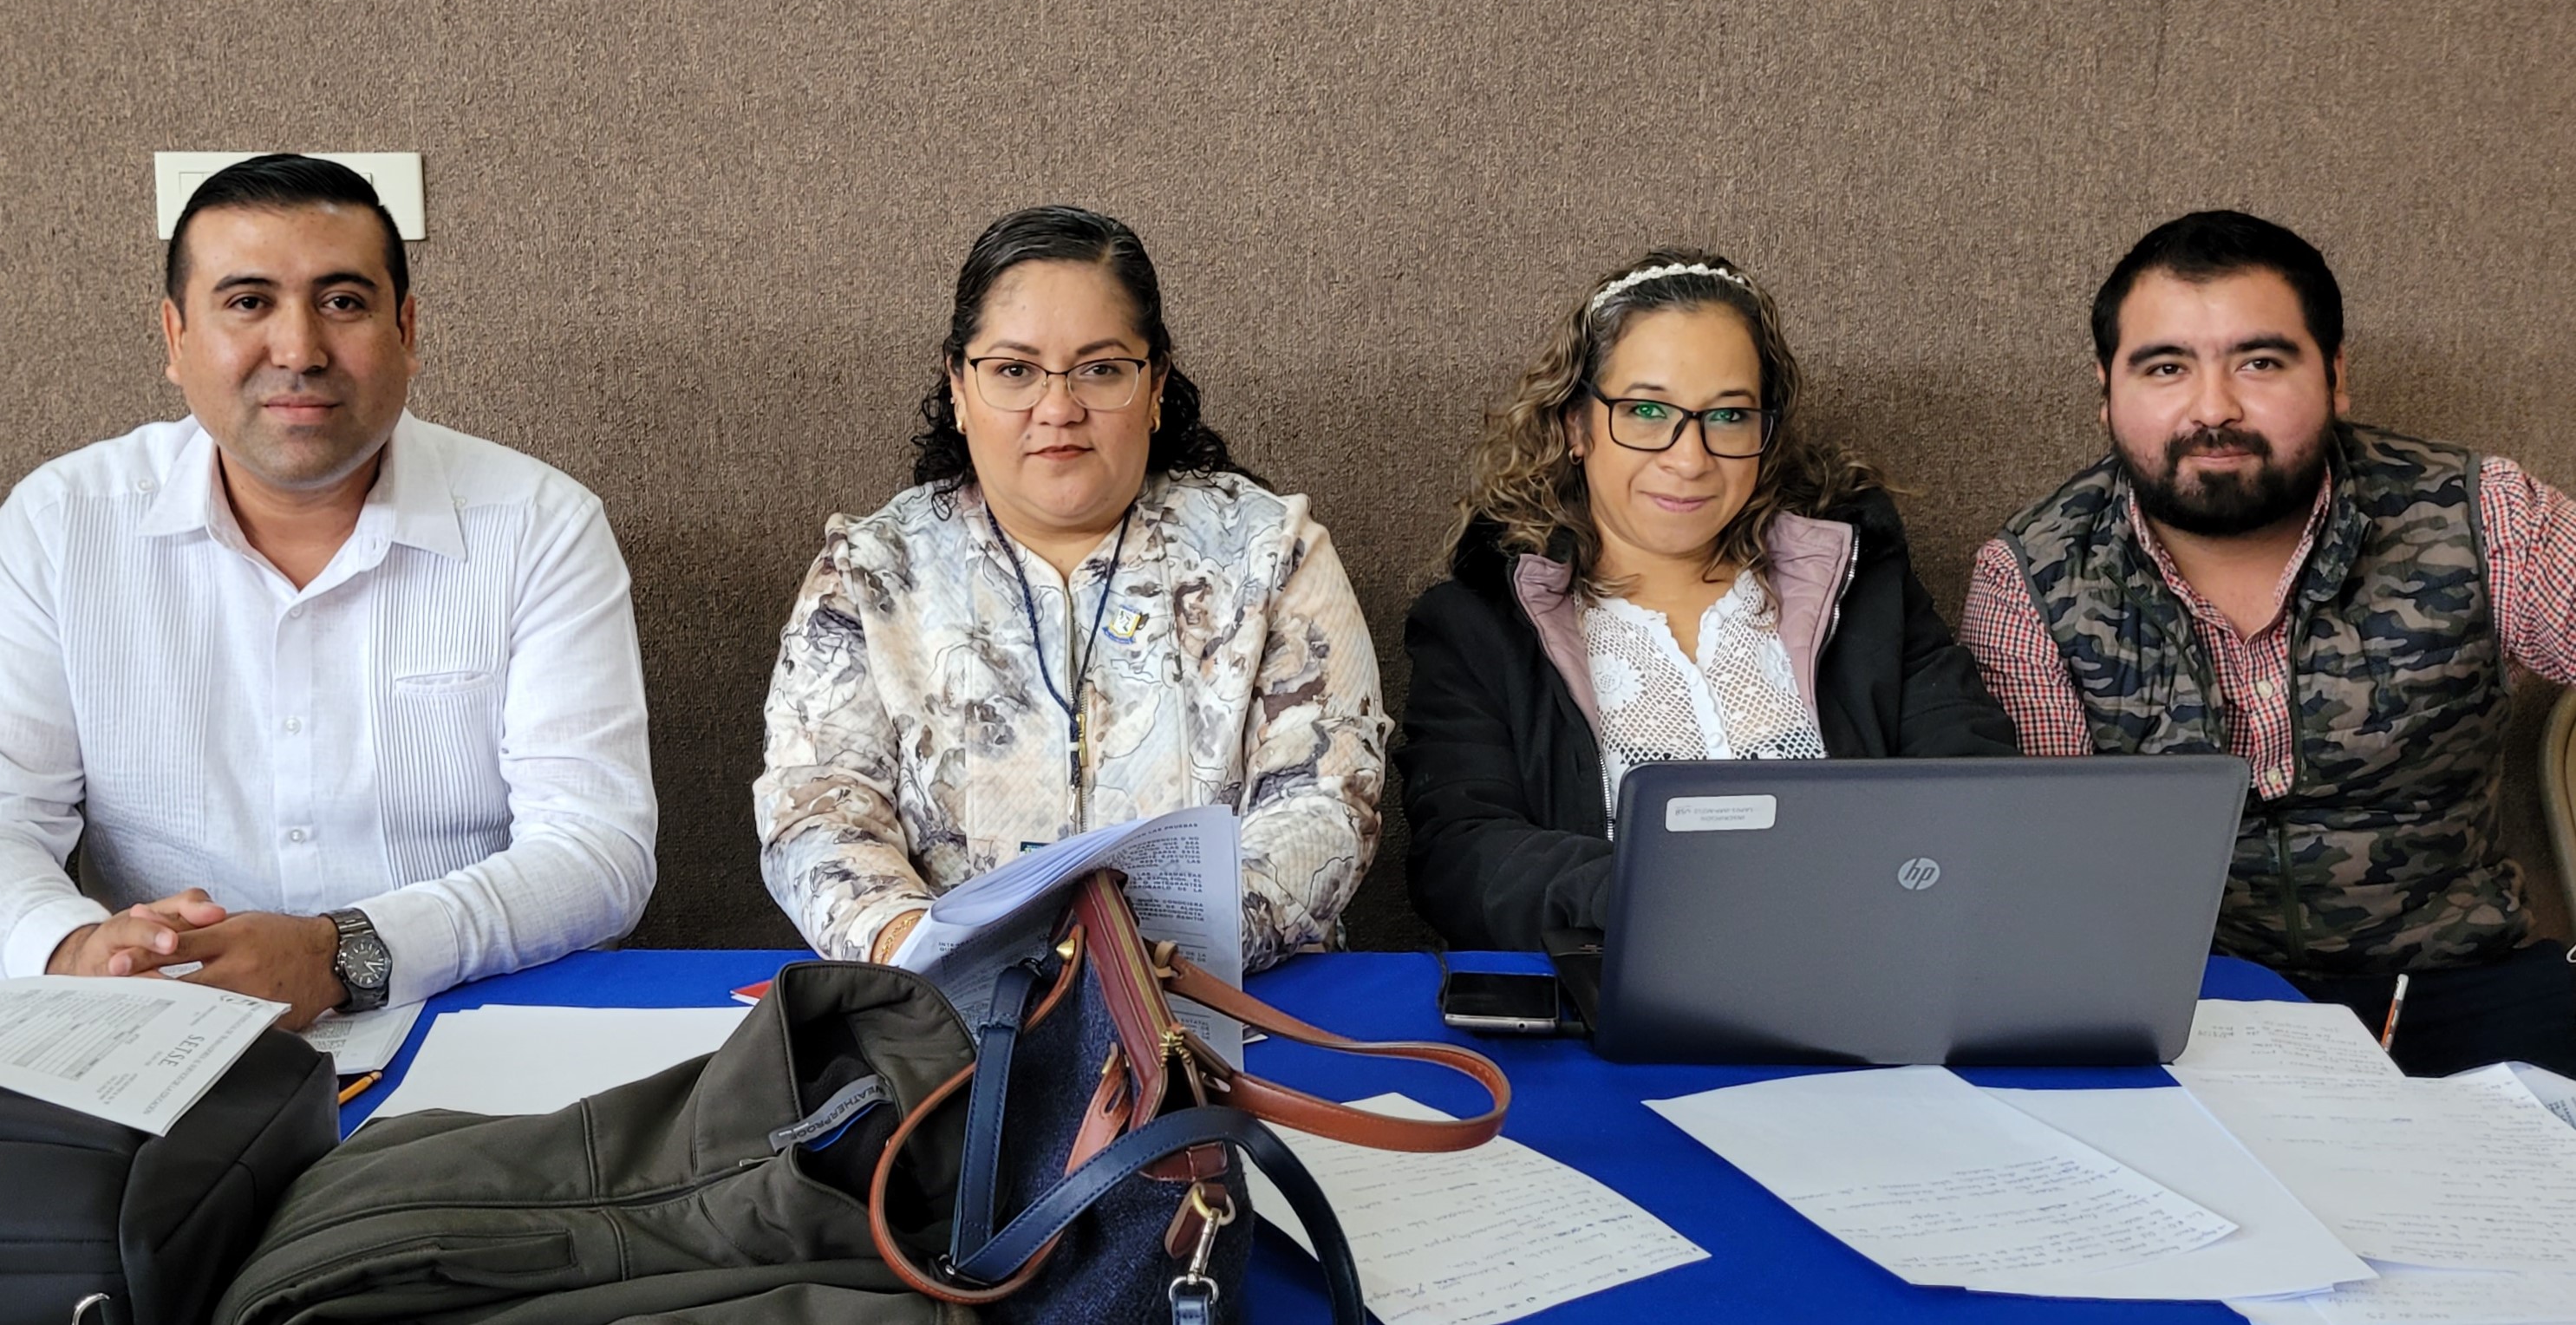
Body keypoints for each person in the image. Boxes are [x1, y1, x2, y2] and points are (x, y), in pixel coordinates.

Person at [0, 154, 656, 1028]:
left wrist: (340, 953)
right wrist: (73, 949)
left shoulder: (538, 524)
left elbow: (597, 850)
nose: (298, 350)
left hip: (475, 1016)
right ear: (175, 338)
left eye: (343, 302)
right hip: (157, 1022)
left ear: (407, 330)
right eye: (248, 302)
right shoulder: (62, 524)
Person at [1960, 210, 2576, 1076]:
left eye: (2259, 362)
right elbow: (2053, 867)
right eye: (2165, 367)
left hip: (2459, 983)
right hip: (2188, 1011)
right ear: (2105, 390)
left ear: (2334, 375)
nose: (2213, 408)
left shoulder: (2483, 514)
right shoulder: (2030, 579)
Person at [754, 205, 1385, 974]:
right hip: (952, 1008)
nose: (1057, 409)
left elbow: (1325, 803)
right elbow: (817, 809)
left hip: (1224, 995)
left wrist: (1144, 955)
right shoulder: (870, 571)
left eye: (1100, 369)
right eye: (1014, 371)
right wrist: (920, 951)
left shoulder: (1270, 553)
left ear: (1154, 384)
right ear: (959, 386)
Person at [1396, 251, 2017, 953]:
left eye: (1727, 415)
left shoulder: (1859, 585)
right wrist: (1646, 891)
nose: (1689, 458)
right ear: (1575, 425)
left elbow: (1977, 787)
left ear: (1765, 432)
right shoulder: (1480, 624)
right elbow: (1462, 855)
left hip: (1868, 968)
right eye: (1646, 410)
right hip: (1617, 987)